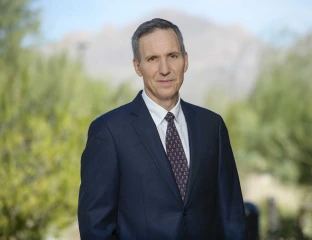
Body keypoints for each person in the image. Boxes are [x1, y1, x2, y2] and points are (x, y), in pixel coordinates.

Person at [78, 18, 249, 240]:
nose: (165, 69)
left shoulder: (212, 126)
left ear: (185, 61)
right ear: (137, 67)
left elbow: (231, 215)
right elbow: (96, 228)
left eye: (173, 56)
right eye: (152, 59)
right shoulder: (108, 132)